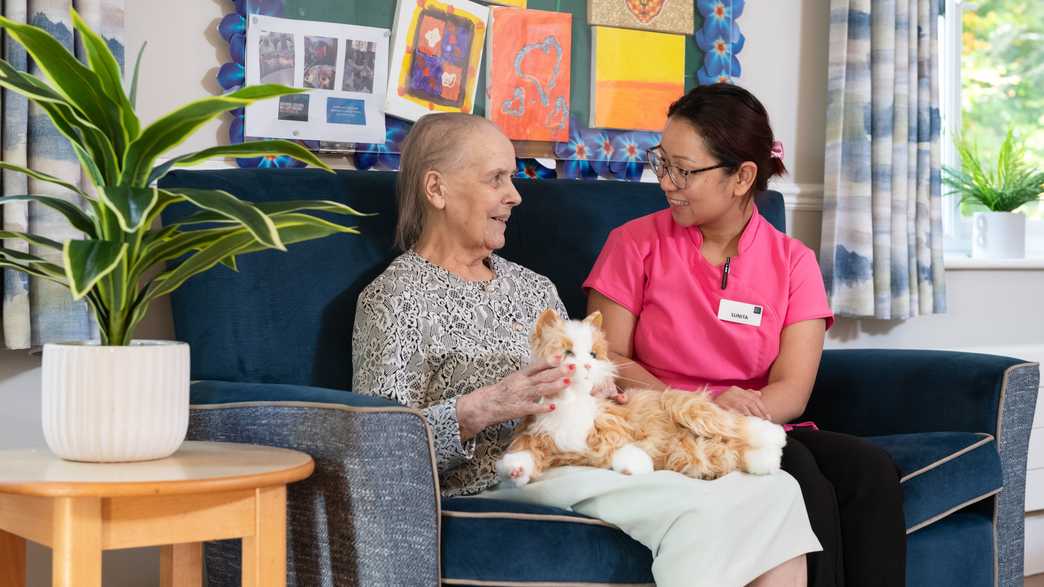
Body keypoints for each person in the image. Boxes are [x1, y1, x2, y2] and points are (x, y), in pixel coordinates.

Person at [353, 111, 820, 586]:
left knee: (775, 489)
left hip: (587, 454)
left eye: (512, 178)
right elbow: (375, 449)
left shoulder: (531, 288)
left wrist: (608, 395)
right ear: (437, 189)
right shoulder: (396, 299)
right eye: (497, 179)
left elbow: (596, 371)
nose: (515, 195)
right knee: (698, 511)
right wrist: (484, 407)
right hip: (507, 474)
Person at [584, 83, 906, 587]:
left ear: (742, 177)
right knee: (798, 476)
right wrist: (696, 407)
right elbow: (609, 360)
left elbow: (792, 392)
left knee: (871, 471)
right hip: (660, 423)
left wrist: (740, 416)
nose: (666, 181)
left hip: (756, 425)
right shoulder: (633, 245)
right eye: (662, 162)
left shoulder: (793, 262)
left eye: (684, 170)